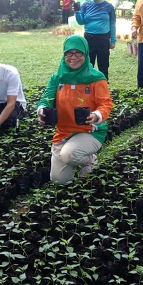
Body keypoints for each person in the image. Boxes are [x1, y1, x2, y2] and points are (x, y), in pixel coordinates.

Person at [37, 35, 113, 184]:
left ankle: (89, 160)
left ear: (86, 53)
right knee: (59, 180)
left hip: (90, 131)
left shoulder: (96, 78)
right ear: (64, 54)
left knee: (69, 155)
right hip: (64, 132)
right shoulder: (57, 78)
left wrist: (96, 115)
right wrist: (42, 110)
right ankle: (73, 156)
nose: (73, 57)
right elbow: (46, 99)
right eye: (69, 53)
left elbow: (106, 104)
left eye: (78, 53)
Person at [75, 0, 116, 80]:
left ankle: (103, 86)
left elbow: (112, 24)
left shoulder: (109, 7)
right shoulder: (86, 5)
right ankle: (88, 88)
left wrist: (113, 40)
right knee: (88, 65)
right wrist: (77, 11)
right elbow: (81, 21)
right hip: (89, 38)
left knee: (103, 65)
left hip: (103, 39)